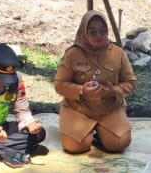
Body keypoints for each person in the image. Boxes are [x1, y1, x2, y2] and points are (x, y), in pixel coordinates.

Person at [54, 10, 137, 154]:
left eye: (102, 31)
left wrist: (113, 91)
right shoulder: (72, 54)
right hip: (78, 109)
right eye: (93, 32)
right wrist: (82, 90)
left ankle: (100, 134)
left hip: (110, 108)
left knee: (119, 144)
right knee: (74, 147)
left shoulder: (118, 53)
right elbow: (59, 85)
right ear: (84, 33)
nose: (99, 36)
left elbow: (130, 82)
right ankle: (85, 131)